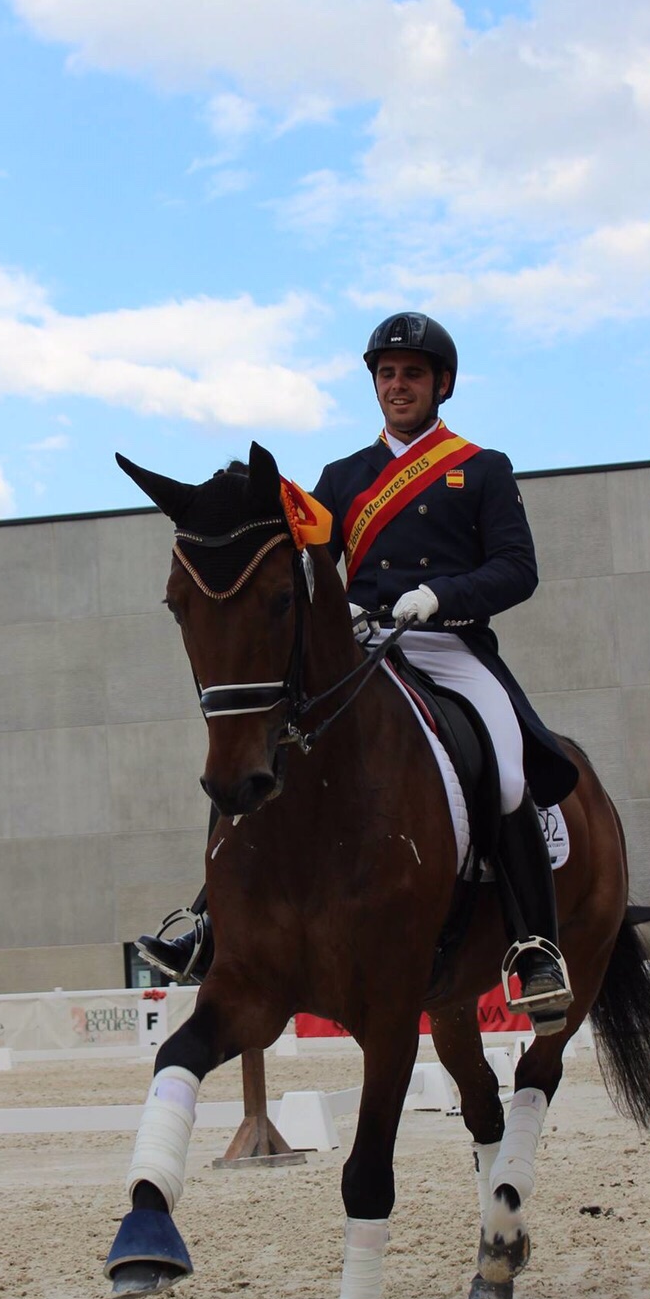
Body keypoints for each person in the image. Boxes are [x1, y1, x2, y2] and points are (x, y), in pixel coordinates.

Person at [138, 312, 576, 1034]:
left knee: (503, 767)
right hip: (363, 652)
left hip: (448, 646)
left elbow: (517, 569)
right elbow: (288, 542)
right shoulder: (342, 478)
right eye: (386, 374)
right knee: (258, 749)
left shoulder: (483, 467)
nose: (397, 386)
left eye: (411, 374)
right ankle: (208, 921)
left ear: (442, 384)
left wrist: (441, 597)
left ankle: (534, 945)